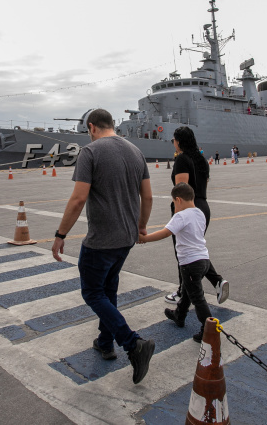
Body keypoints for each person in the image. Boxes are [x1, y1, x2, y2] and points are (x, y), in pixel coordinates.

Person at [52, 108, 155, 384]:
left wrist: (61, 233)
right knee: (109, 290)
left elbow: (78, 199)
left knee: (92, 292)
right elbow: (148, 196)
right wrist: (141, 226)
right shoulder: (136, 151)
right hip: (126, 239)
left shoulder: (91, 152)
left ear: (91, 127)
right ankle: (105, 342)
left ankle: (133, 344)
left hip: (101, 241)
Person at [139, 182, 221, 342]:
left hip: (190, 263)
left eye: (174, 203)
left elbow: (165, 233)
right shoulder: (199, 213)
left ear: (178, 200)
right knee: (187, 289)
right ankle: (179, 315)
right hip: (204, 260)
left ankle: (209, 331)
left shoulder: (181, 216)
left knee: (197, 297)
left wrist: (144, 239)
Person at [163, 126, 228, 306]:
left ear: (179, 141)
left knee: (183, 252)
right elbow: (204, 183)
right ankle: (217, 282)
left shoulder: (182, 159)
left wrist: (178, 215)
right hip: (202, 207)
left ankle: (183, 293)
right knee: (195, 249)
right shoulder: (201, 159)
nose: (173, 143)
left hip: (187, 208)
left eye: (174, 140)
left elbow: (181, 190)